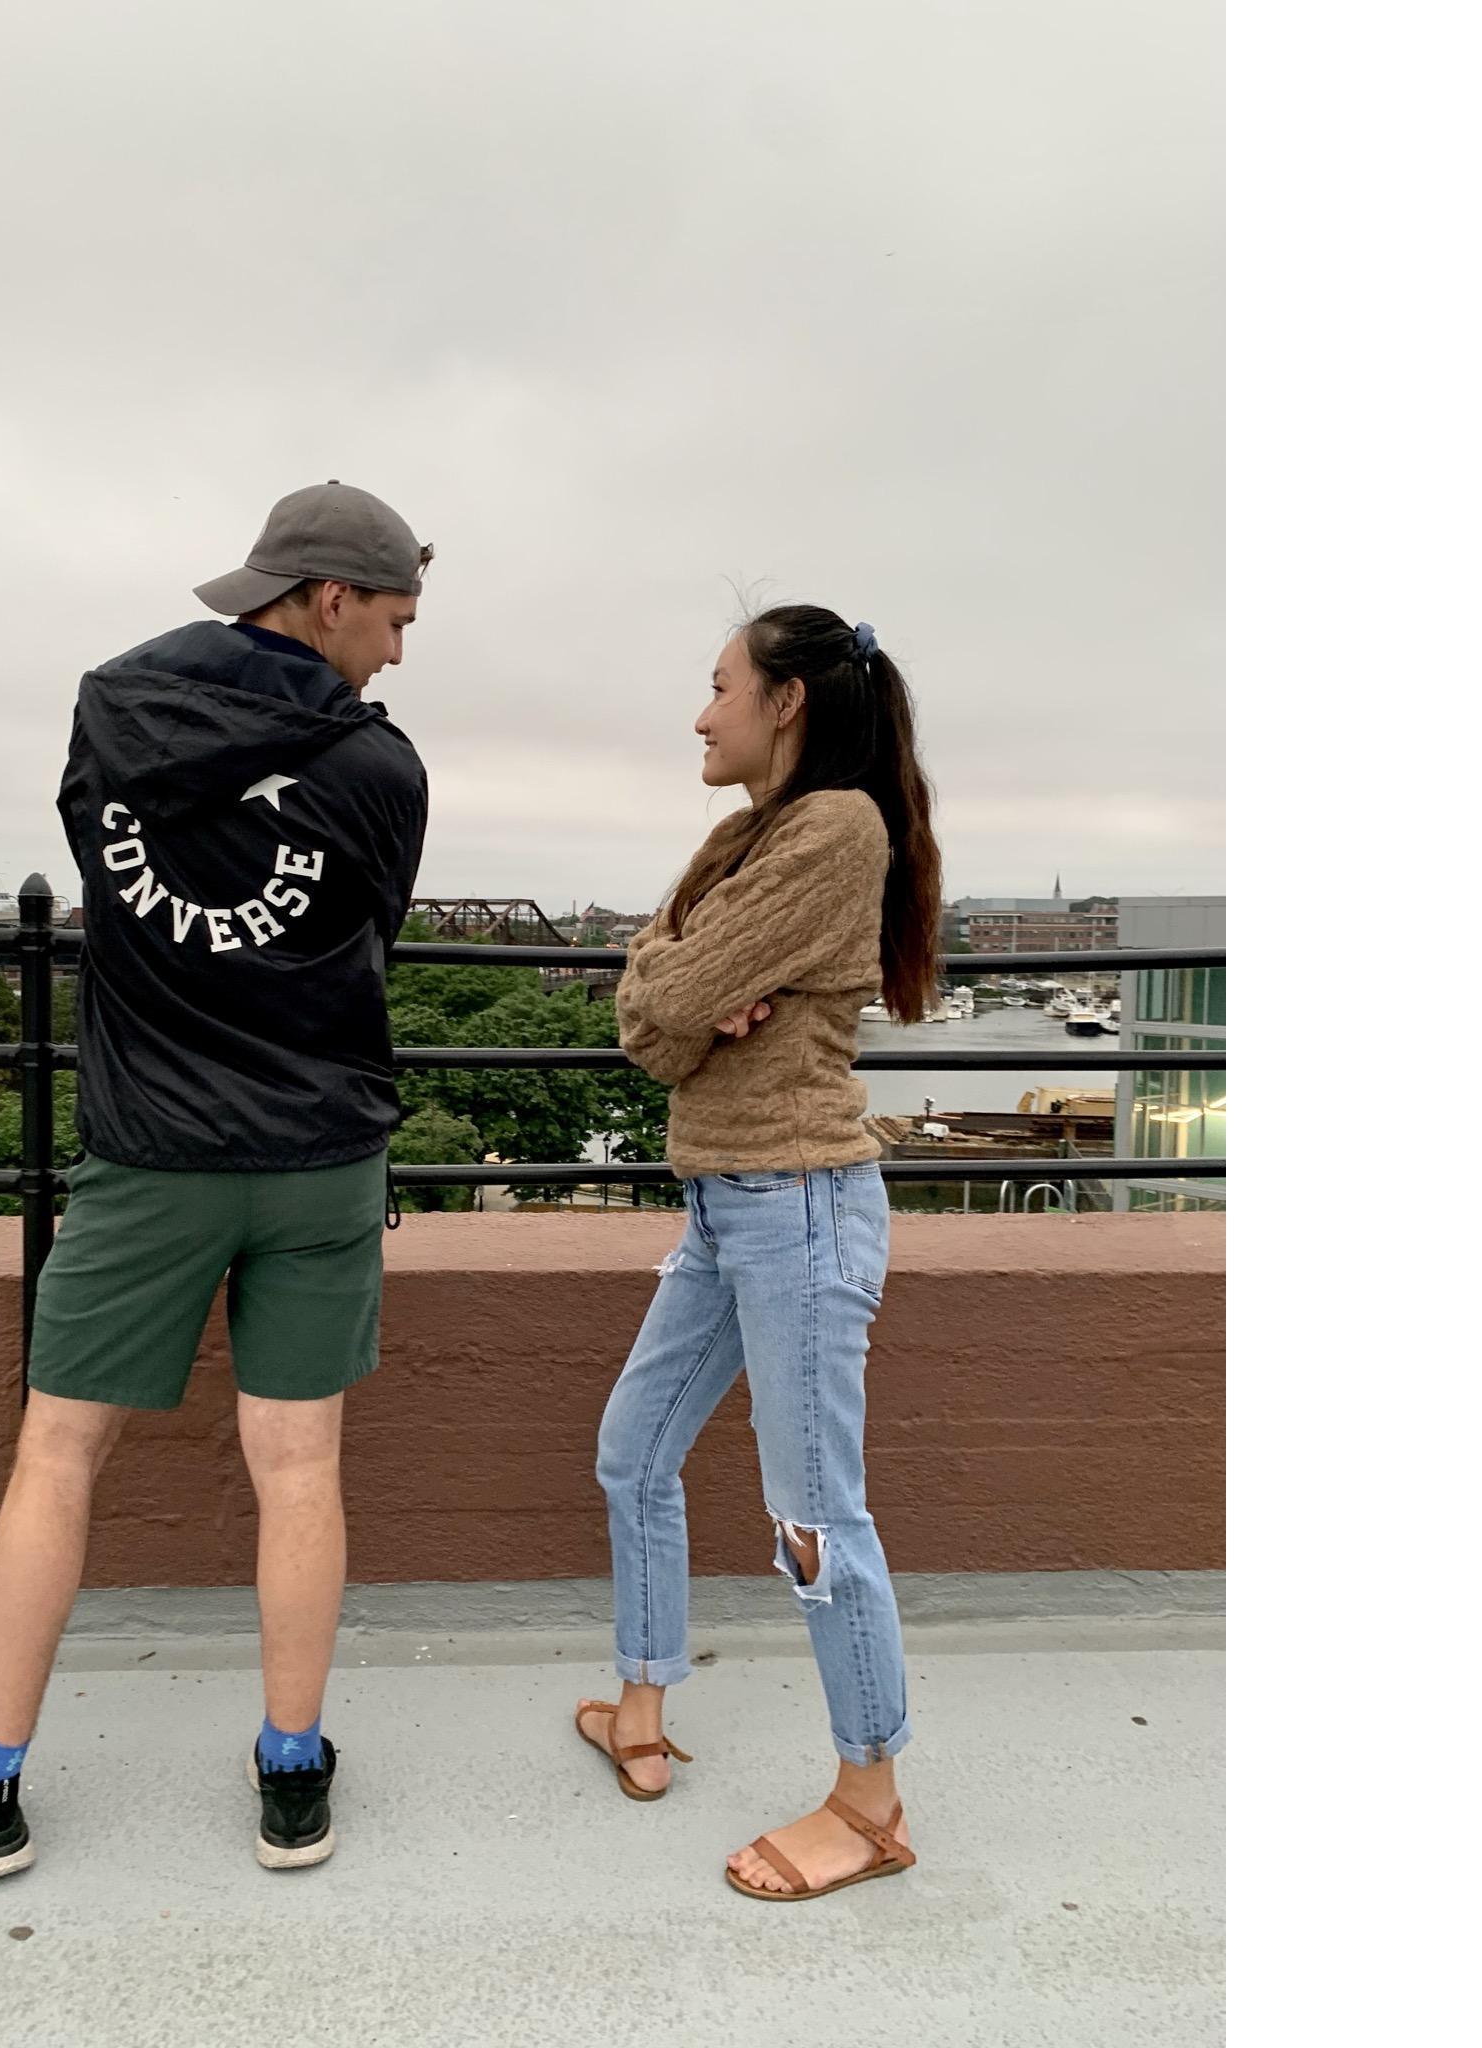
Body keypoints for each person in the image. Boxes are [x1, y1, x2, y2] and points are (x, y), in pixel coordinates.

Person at [0, 482, 432, 1881]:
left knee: (57, 1454)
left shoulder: (114, 714)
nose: (396, 650)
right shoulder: (381, 767)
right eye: (392, 618)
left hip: (148, 1158)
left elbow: (102, 865)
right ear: (329, 599)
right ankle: (291, 1774)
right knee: (299, 1469)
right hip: (320, 1155)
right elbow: (370, 934)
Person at [574, 604, 942, 1902]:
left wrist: (681, 993)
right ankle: (640, 1704)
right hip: (728, 1202)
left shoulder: (836, 828)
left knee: (813, 1516)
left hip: (798, 1205)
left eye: (720, 685)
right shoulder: (747, 836)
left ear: (786, 700)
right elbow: (654, 1012)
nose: (702, 713)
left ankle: (871, 1800)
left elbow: (664, 999)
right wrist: (680, 992)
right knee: (634, 1450)